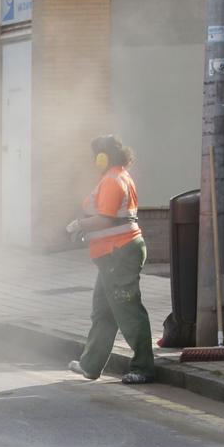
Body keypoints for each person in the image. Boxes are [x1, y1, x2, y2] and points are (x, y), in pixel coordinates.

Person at [68, 133, 155, 384]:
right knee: (103, 311)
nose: (94, 160)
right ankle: (90, 364)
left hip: (119, 253)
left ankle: (144, 367)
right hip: (113, 255)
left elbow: (105, 218)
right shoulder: (116, 176)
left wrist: (78, 225)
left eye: (96, 155)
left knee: (127, 310)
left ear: (103, 157)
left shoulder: (113, 180)